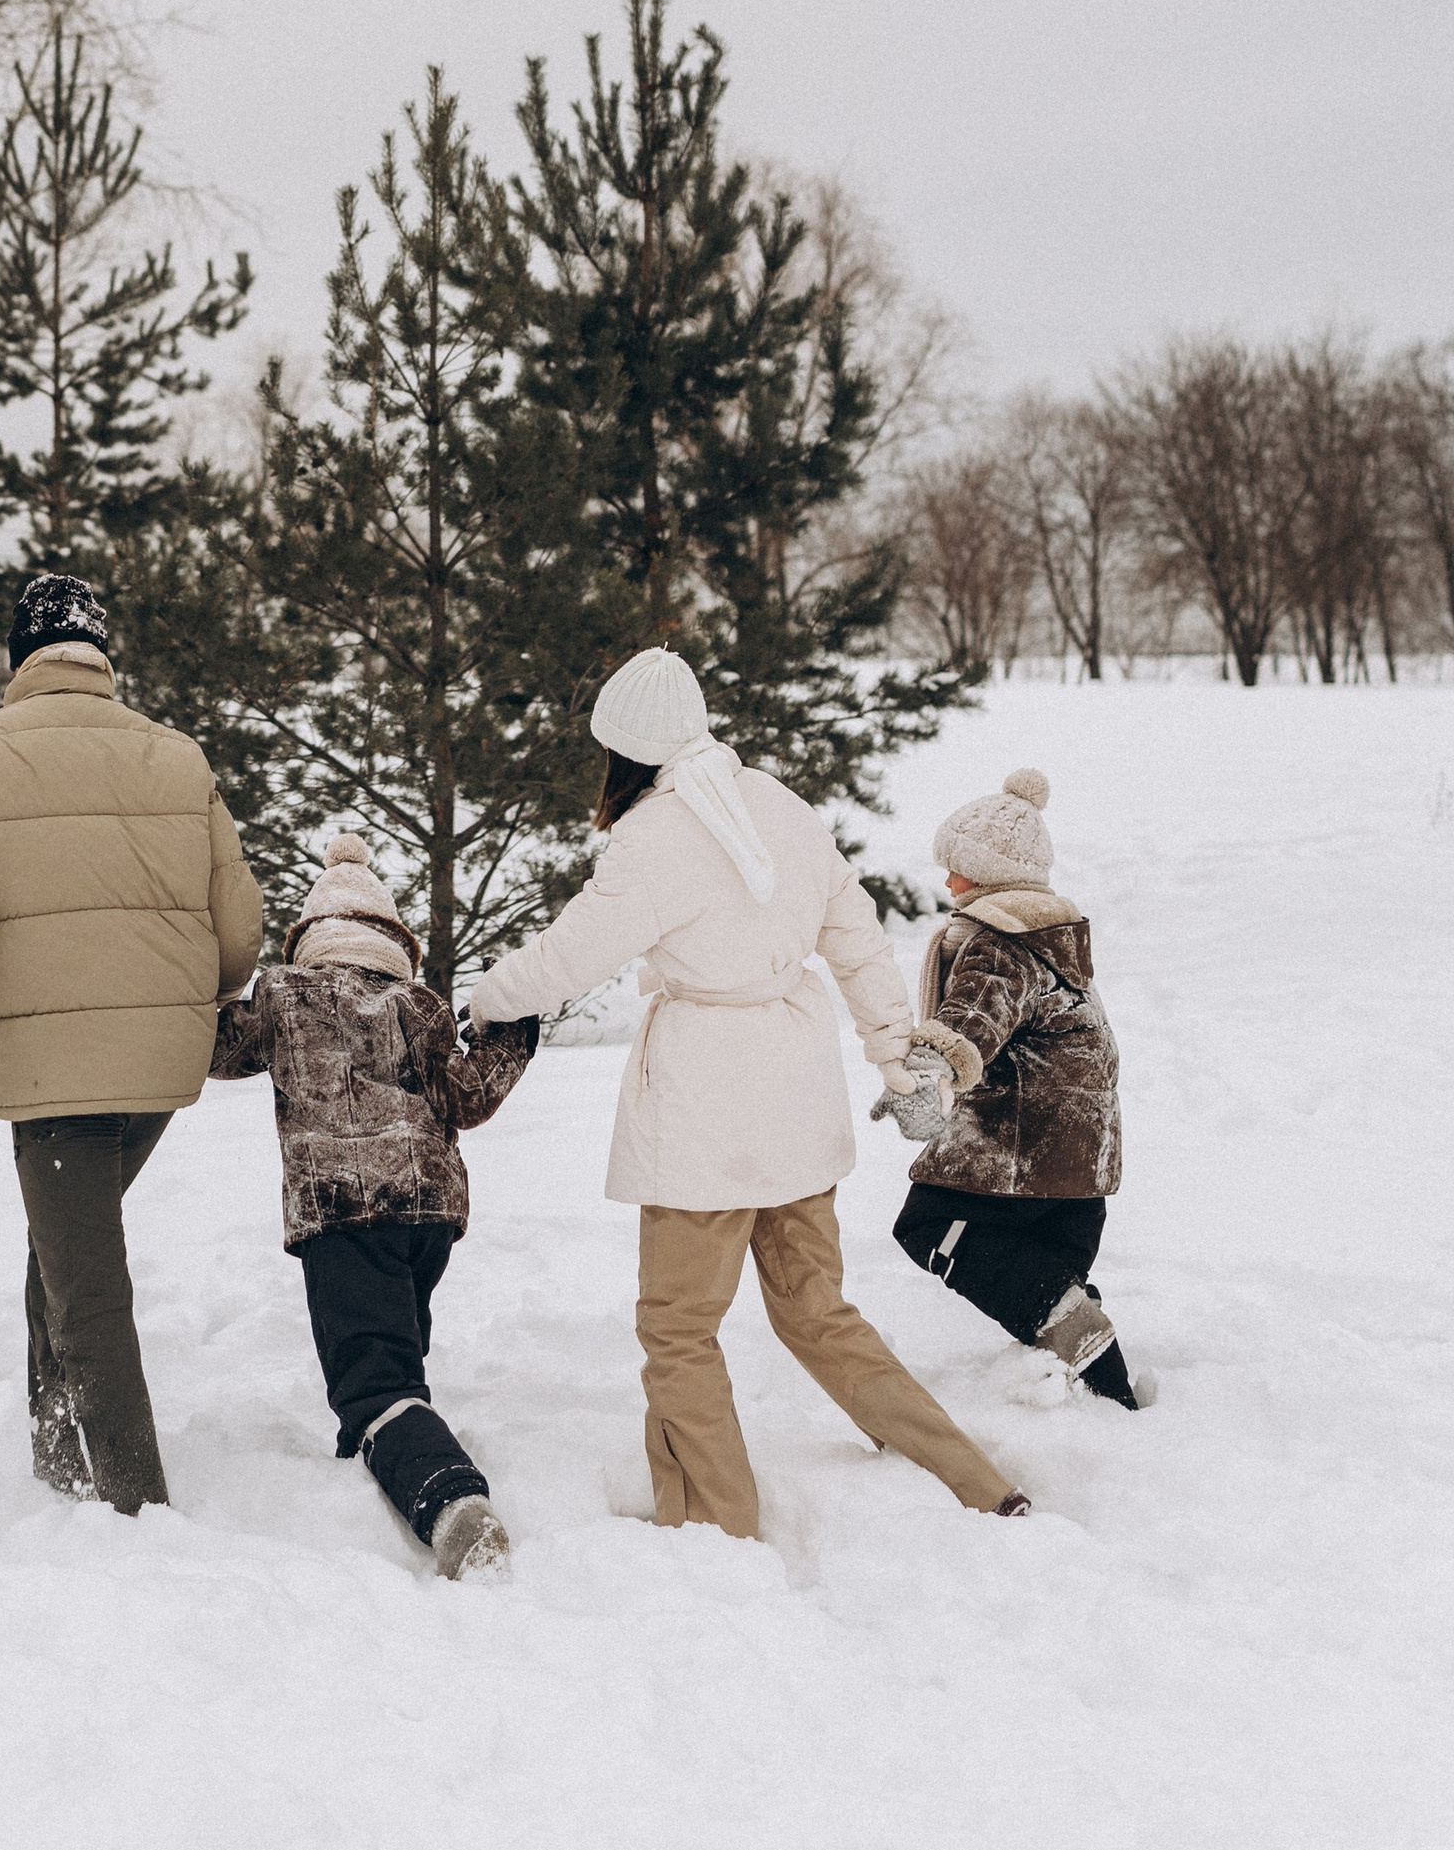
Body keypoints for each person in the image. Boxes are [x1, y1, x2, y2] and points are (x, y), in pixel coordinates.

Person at [466, 647, 1026, 1542]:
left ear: (625, 750)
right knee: (818, 1312)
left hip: (704, 1119)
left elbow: (569, 956)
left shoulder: (651, 836)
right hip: (796, 1095)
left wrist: (483, 999)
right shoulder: (779, 803)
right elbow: (856, 936)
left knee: (679, 1330)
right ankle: (974, 1482)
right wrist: (897, 1057)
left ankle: (720, 1530)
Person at [0, 568, 262, 1515]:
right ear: (102, 654)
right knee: (66, 1249)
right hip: (158, 1071)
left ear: (18, 655)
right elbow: (239, 930)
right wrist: (183, 1000)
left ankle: (132, 1507)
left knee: (89, 1292)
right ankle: (56, 1458)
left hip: (50, 1076)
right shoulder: (179, 756)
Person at [209, 831, 539, 1581]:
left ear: (310, 941)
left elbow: (215, 1048)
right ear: (395, 944)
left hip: (342, 1209)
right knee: (397, 1343)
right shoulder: (418, 1005)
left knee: (375, 1380)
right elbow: (467, 1094)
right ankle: (383, 1449)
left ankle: (450, 1500)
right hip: (427, 1212)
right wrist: (513, 1033)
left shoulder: (285, 997)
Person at [877, 766, 1146, 1408]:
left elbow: (968, 1024)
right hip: (1082, 1158)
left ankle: (1086, 1347)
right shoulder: (1057, 941)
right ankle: (1100, 1400)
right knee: (1050, 1286)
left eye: (959, 870)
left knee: (928, 1226)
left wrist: (927, 1079)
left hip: (1021, 1151)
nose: (947, 883)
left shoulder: (1002, 945)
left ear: (993, 876)